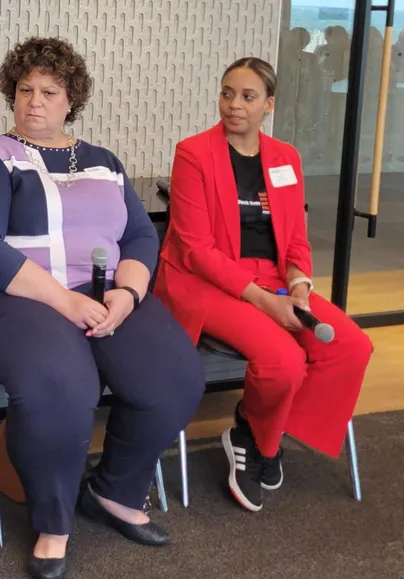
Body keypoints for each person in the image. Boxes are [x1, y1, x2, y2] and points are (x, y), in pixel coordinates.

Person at [0, 37, 204, 579]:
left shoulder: (105, 163)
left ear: (71, 99)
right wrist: (64, 301)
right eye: (24, 89)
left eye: (48, 91)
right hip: (6, 298)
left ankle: (115, 491)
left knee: (174, 377)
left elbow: (137, 236)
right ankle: (53, 521)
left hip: (101, 294)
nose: (33, 101)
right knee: (63, 384)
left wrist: (126, 297)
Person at [154, 57, 373, 512]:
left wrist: (298, 284)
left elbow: (295, 237)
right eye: (227, 93)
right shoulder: (193, 153)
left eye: (248, 96)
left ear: (268, 105)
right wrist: (261, 301)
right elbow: (195, 249)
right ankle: (265, 444)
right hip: (205, 280)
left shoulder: (285, 158)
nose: (233, 105)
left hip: (272, 279)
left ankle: (251, 431)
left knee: (351, 346)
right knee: (284, 360)